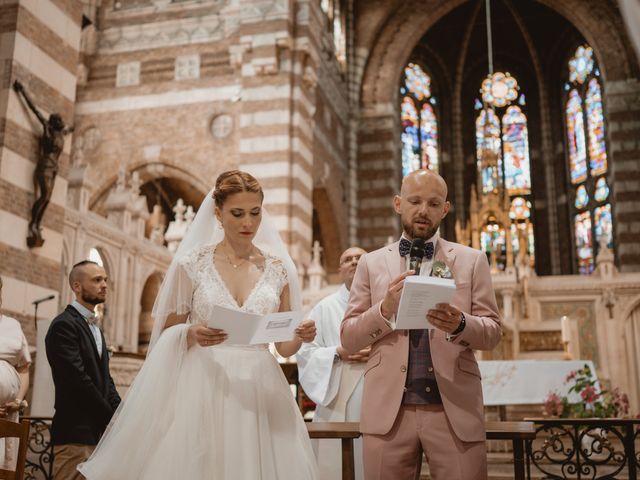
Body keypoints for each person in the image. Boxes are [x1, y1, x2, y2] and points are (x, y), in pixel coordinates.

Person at [78, 170, 319, 479]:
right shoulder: (192, 263)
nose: (248, 223)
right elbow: (165, 334)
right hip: (203, 382)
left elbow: (283, 345)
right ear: (218, 213)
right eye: (238, 213)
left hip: (259, 385)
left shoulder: (278, 269)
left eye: (255, 213)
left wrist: (300, 335)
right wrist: (189, 332)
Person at [341, 169, 502, 480]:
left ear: (445, 209)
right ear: (398, 203)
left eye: (433, 203)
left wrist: (460, 324)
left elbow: (493, 332)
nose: (423, 211)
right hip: (388, 411)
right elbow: (349, 337)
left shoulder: (471, 260)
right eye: (414, 201)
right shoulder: (371, 263)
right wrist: (384, 310)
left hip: (453, 407)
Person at [45, 261, 121, 480]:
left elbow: (105, 380)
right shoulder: (64, 326)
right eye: (97, 280)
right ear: (77, 287)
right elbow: (78, 381)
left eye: (105, 279)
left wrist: (122, 415)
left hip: (97, 436)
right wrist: (110, 418)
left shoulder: (96, 329)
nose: (104, 284)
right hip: (75, 435)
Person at [297, 246, 368, 480]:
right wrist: (338, 352)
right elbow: (306, 353)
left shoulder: (386, 306)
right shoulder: (323, 308)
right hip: (336, 399)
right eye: (348, 259)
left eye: (361, 258)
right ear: (340, 270)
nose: (355, 262)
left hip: (378, 392)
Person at [13, 80, 73, 248]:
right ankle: (33, 223)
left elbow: (69, 130)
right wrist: (22, 91)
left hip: (54, 169)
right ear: (54, 122)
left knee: (47, 199)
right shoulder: (48, 129)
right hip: (45, 165)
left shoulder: (61, 135)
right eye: (59, 120)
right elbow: (34, 110)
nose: (62, 122)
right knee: (45, 195)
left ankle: (37, 225)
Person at [0, 276, 32, 470]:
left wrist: (18, 401)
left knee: (5, 468)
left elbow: (23, 369)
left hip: (8, 416)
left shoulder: (13, 325)